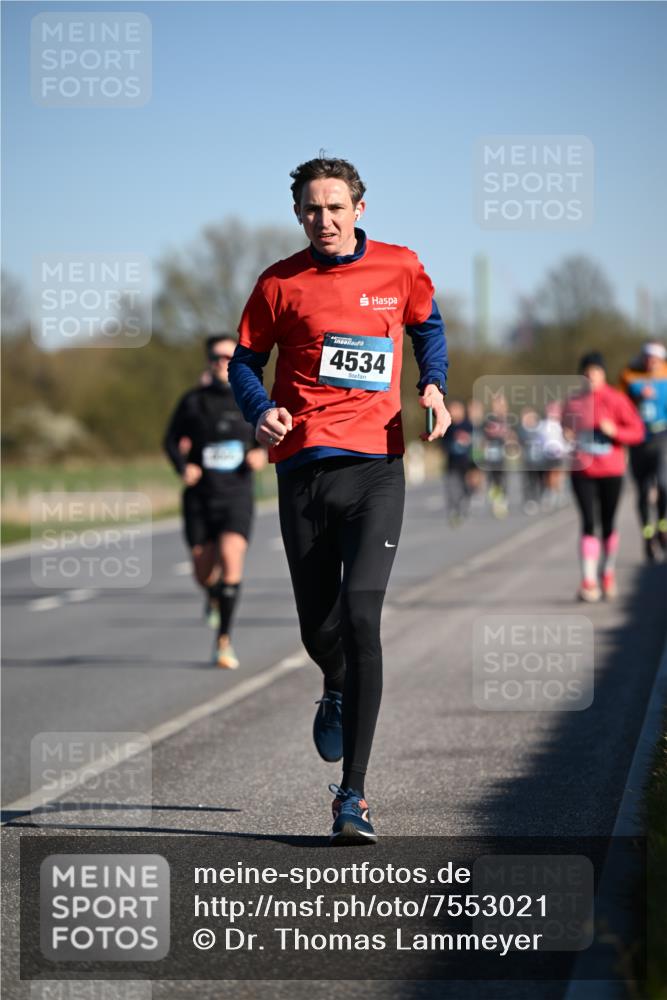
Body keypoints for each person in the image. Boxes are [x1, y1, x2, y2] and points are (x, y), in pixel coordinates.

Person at [229, 156, 449, 844]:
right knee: (319, 630)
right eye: (309, 210)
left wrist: (432, 386)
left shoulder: (399, 267)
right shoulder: (278, 283)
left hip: (376, 467)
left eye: (333, 207)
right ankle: (333, 683)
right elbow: (243, 361)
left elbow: (427, 328)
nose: (322, 220)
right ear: (298, 215)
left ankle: (352, 795)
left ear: (358, 207)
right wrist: (258, 408)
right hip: (301, 469)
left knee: (361, 618)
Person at [164, 334, 267, 668]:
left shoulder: (251, 400)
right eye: (216, 357)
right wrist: (184, 467)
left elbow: (272, 433)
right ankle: (211, 594)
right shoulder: (192, 401)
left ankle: (223, 642)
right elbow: (168, 439)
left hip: (236, 495)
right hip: (200, 498)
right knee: (202, 569)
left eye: (229, 356)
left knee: (231, 556)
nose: (222, 362)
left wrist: (262, 453)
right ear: (209, 361)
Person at [562, 351, 644, 601]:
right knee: (588, 522)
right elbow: (563, 428)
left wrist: (615, 431)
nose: (591, 376)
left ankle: (607, 573)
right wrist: (566, 434)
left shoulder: (617, 399)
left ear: (603, 373)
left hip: (611, 470)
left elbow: (637, 433)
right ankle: (588, 581)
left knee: (607, 524)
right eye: (586, 373)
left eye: (595, 372)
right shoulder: (573, 402)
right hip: (582, 471)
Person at [619, 340, 667, 561]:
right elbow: (620, 406)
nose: (651, 362)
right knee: (643, 488)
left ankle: (663, 526)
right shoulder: (631, 378)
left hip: (662, 436)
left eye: (655, 358)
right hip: (639, 439)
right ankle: (647, 534)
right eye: (648, 357)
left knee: (664, 484)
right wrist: (638, 398)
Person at [441, 399, 473, 524]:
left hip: (467, 463)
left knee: (466, 488)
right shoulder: (448, 426)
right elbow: (443, 443)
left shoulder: (468, 425)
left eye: (457, 409)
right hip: (452, 463)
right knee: (452, 488)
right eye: (452, 409)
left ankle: (464, 504)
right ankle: (454, 511)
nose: (455, 412)